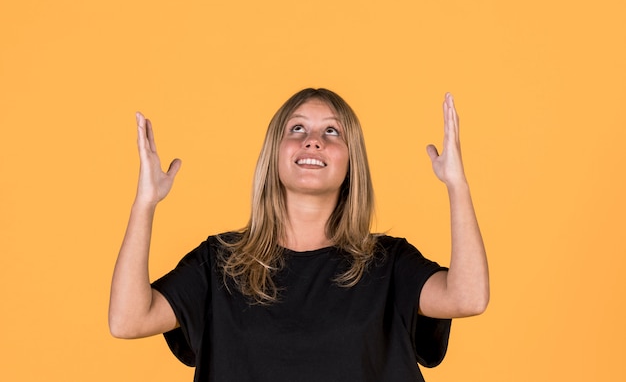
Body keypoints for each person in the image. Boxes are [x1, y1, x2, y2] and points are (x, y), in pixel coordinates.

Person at [109, 88, 489, 382]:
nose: (313, 140)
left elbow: (468, 297)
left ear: (350, 161)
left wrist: (457, 185)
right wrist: (144, 204)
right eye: (297, 128)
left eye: (331, 131)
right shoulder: (219, 262)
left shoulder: (388, 264)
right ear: (275, 153)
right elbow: (128, 321)